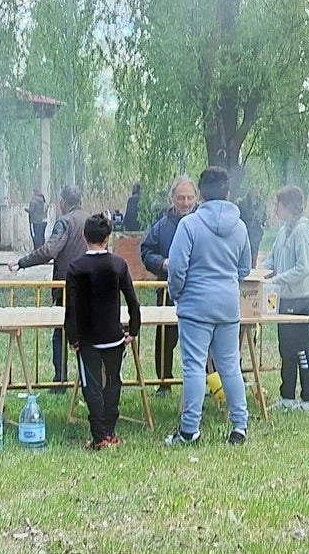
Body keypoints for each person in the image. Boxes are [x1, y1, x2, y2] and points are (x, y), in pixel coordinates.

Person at [164, 166, 251, 445]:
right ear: (227, 193)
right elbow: (244, 267)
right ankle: (239, 426)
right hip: (228, 306)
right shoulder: (239, 227)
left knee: (193, 366)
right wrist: (227, 283)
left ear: (200, 195)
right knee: (230, 367)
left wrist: (178, 293)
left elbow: (177, 268)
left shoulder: (189, 225)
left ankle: (189, 430)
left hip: (195, 306)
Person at [64, 213, 141, 449]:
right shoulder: (118, 264)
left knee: (92, 386)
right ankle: (110, 430)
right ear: (108, 238)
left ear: (84, 236)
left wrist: (73, 336)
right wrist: (133, 329)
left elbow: (72, 307)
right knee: (113, 383)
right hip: (114, 337)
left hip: (88, 340)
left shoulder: (76, 267)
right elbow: (132, 300)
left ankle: (99, 437)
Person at [16, 184, 90, 383]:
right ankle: (87, 378)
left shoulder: (64, 222)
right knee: (87, 332)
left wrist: (22, 262)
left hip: (68, 287)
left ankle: (60, 379)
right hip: (90, 286)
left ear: (62, 202)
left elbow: (49, 250)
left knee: (61, 331)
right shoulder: (91, 219)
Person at [262, 185, 309, 412]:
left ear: (288, 206)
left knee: (301, 348)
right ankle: (287, 396)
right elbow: (273, 261)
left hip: (301, 298)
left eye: (279, 205)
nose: (276, 209)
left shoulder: (303, 230)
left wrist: (277, 280)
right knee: (285, 348)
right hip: (285, 298)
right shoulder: (284, 230)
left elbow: (303, 267)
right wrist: (261, 273)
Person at [138, 177, 197, 385]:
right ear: (172, 199)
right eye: (181, 198)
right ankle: (164, 380)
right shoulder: (161, 226)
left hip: (197, 292)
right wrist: (162, 263)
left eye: (190, 198)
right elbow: (145, 251)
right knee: (165, 337)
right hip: (168, 291)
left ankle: (208, 381)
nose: (186, 203)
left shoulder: (202, 222)